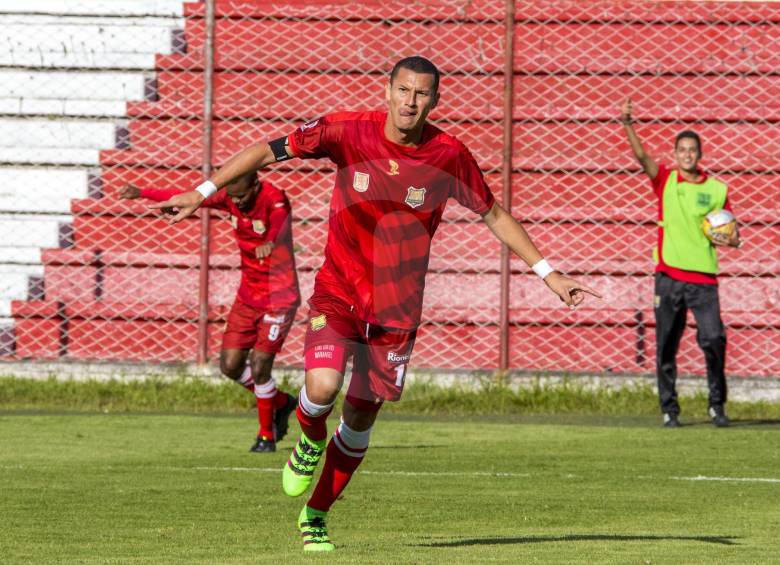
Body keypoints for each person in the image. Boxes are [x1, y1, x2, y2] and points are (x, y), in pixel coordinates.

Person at [151, 56, 600, 551]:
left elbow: (494, 215)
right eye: (403, 90)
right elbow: (266, 150)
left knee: (361, 418)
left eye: (422, 94)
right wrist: (202, 191)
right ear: (388, 91)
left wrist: (547, 272)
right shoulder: (346, 131)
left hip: (396, 310)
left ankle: (315, 515)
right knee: (322, 387)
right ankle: (309, 437)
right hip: (339, 290)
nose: (411, 102)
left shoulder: (449, 154)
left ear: (435, 100)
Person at [120, 172, 300, 452]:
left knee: (260, 365)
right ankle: (281, 402)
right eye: (233, 197)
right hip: (248, 296)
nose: (237, 202)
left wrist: (272, 240)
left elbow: (278, 221)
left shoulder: (274, 198)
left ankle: (266, 436)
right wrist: (141, 192)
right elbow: (186, 195)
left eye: (242, 196)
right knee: (229, 365)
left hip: (280, 296)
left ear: (255, 185)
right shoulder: (228, 197)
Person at [620, 98, 742, 429]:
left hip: (703, 278)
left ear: (699, 154)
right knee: (666, 345)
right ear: (675, 154)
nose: (687, 155)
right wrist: (628, 124)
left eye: (692, 150)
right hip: (669, 275)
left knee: (714, 339)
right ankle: (669, 409)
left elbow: (731, 232)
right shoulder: (666, 181)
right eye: (682, 150)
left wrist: (731, 239)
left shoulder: (716, 190)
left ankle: (716, 405)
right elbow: (642, 157)